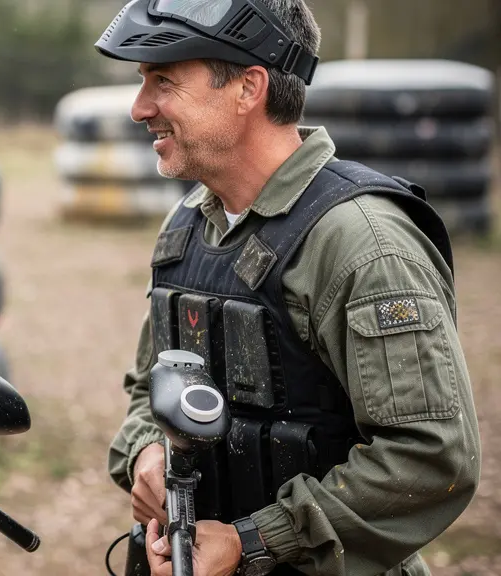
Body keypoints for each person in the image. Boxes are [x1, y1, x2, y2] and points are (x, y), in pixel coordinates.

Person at [94, 1, 481, 575]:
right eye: (142, 82)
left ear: (249, 87)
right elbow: (150, 386)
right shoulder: (188, 228)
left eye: (164, 80)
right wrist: (147, 450)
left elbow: (429, 457)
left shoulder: (362, 241)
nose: (139, 107)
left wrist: (253, 540)